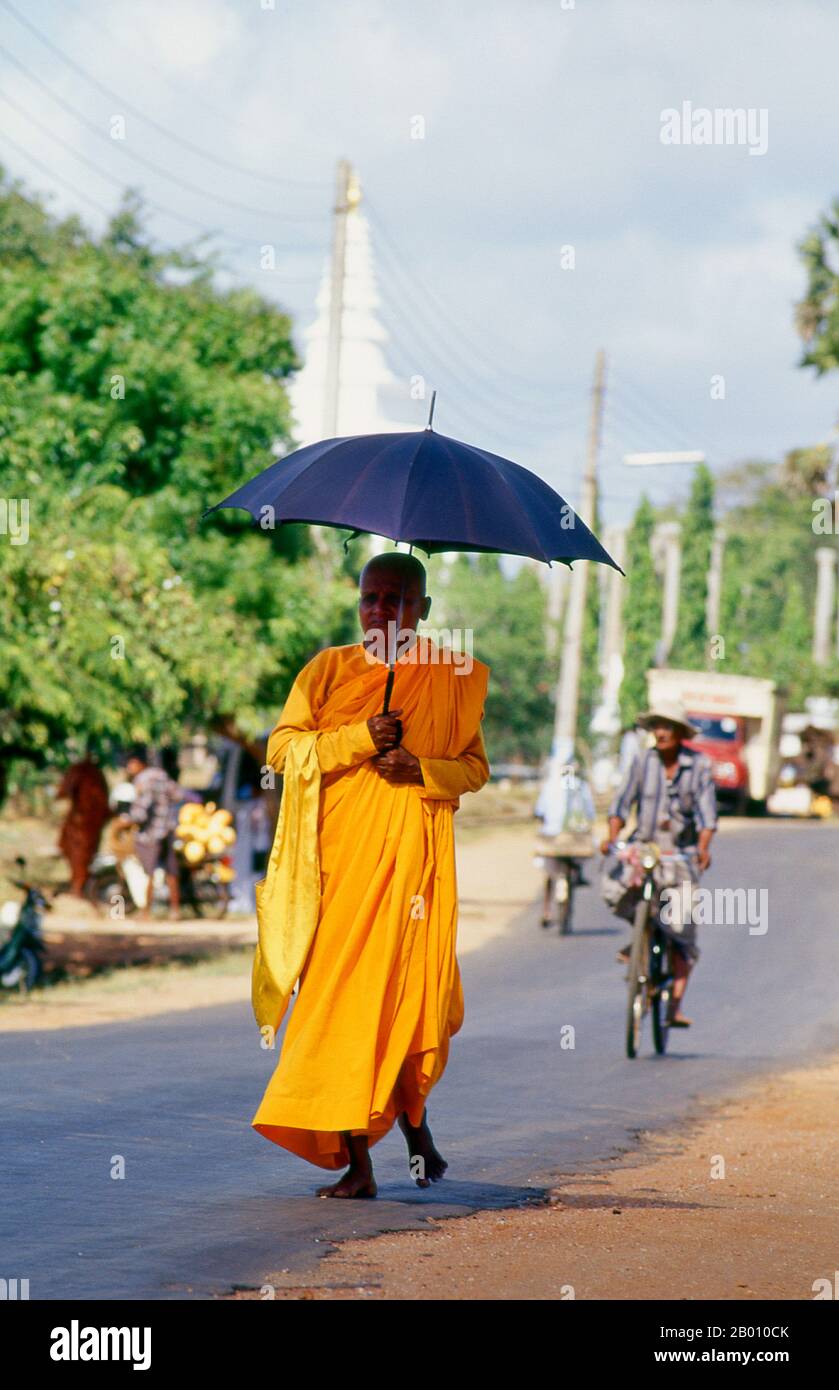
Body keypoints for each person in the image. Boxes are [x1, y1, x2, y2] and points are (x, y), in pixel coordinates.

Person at [250, 551, 490, 1198]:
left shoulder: (454, 675)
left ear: (424, 610)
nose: (380, 610)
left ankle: (414, 1125)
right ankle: (358, 1163)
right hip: (339, 871)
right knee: (341, 1010)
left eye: (396, 599)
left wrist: (422, 771)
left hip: (414, 870)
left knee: (408, 1005)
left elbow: (473, 767)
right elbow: (282, 749)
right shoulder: (328, 670)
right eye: (370, 597)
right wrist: (358, 737)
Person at [600, 700, 717, 1027]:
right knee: (614, 886)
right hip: (644, 849)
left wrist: (703, 849)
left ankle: (673, 1007)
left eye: (668, 727)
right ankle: (638, 939)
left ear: (680, 733)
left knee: (682, 932)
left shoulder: (700, 766)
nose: (661, 732)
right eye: (657, 727)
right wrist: (612, 836)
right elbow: (620, 805)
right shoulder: (642, 761)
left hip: (681, 854)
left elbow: (708, 817)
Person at [123, 744, 181, 920]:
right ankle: (175, 911)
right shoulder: (162, 775)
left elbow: (142, 809)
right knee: (171, 871)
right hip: (169, 828)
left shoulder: (143, 780)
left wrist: (128, 819)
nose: (129, 767)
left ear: (139, 763)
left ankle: (145, 912)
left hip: (151, 832)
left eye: (131, 763)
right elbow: (177, 795)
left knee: (148, 872)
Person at [56, 753, 110, 896]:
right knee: (81, 856)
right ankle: (79, 887)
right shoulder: (93, 773)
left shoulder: (81, 771)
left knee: (81, 856)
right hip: (88, 822)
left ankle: (78, 889)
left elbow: (63, 792)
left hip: (84, 822)